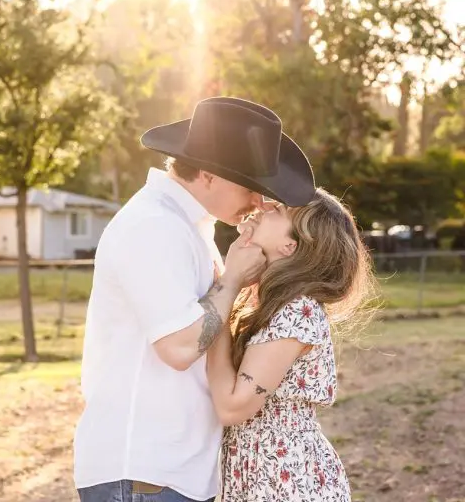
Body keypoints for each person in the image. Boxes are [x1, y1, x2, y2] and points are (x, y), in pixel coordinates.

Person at [73, 96, 317, 502]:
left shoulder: (188, 226)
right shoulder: (153, 226)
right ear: (208, 175)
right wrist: (235, 278)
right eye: (251, 187)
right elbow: (180, 346)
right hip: (144, 473)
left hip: (169, 472)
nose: (258, 202)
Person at [204, 189, 377, 501]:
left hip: (287, 478)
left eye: (279, 209)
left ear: (290, 245)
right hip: (263, 470)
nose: (264, 205)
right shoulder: (264, 302)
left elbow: (233, 406)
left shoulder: (298, 309)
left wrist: (223, 293)